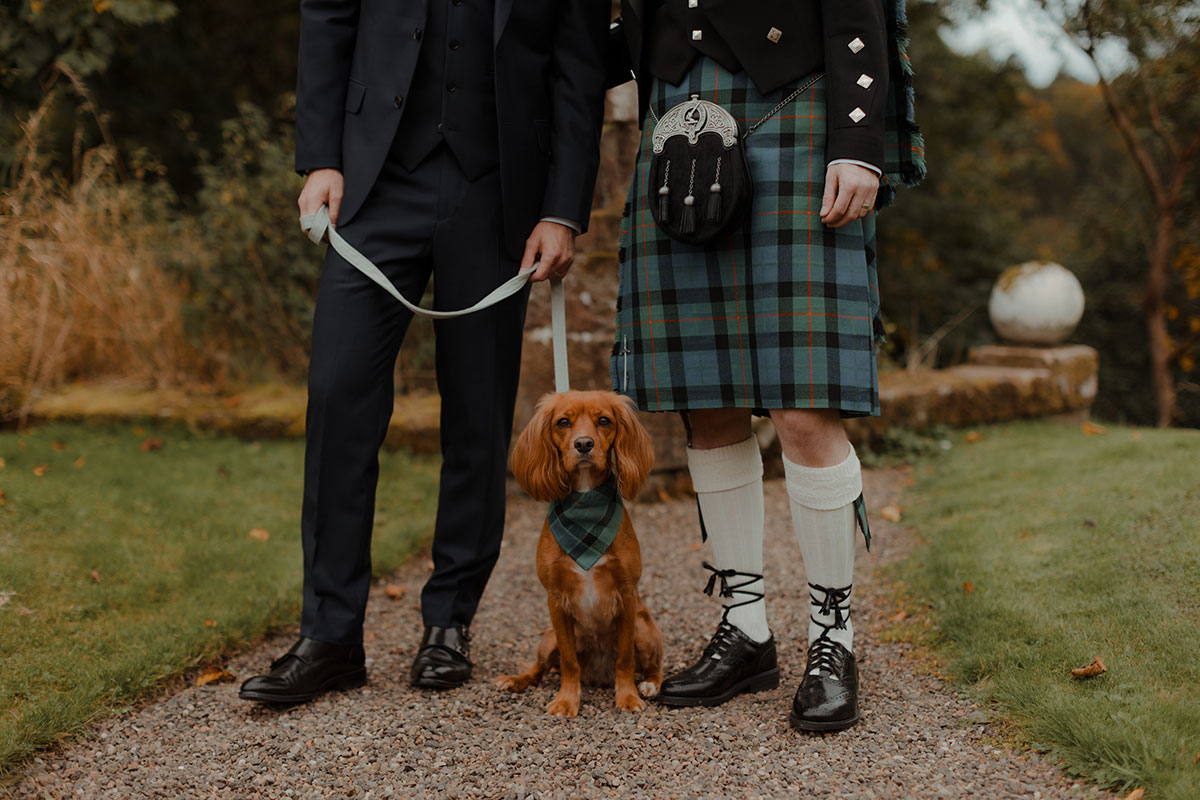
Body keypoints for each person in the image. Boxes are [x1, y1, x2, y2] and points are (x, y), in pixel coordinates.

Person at [239, 0, 611, 704]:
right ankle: (329, 635)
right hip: (374, 183)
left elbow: (579, 69)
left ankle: (448, 623)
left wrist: (561, 208)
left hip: (499, 189)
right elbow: (328, 20)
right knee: (338, 397)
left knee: (478, 414)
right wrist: (320, 157)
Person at [606, 0, 924, 729]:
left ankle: (833, 640)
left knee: (803, 403)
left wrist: (857, 142)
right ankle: (746, 629)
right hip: (679, 114)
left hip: (798, 110)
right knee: (706, 398)